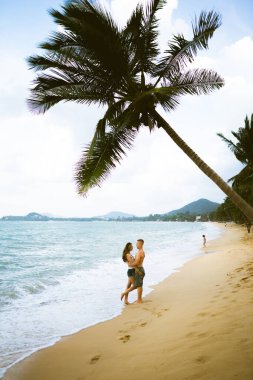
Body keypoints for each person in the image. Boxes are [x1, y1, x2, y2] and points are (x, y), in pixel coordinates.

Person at [121, 239, 145, 304]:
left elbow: (132, 263)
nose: (133, 247)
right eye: (131, 246)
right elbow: (132, 264)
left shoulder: (129, 254)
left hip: (132, 270)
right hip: (131, 271)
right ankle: (123, 293)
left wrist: (131, 264)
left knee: (128, 285)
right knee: (135, 286)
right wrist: (137, 270)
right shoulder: (128, 255)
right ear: (129, 247)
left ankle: (126, 300)